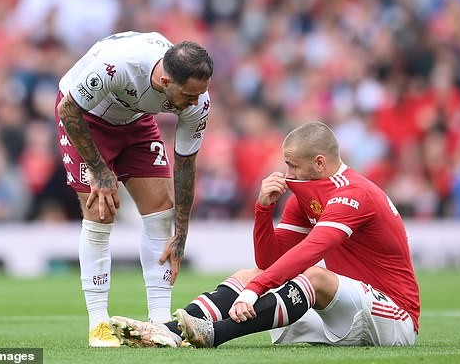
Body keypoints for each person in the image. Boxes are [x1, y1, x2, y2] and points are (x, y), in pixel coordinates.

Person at [108, 121, 420, 348]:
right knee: (249, 274)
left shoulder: (353, 194)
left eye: (292, 165)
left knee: (314, 276)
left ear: (320, 163)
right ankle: (168, 332)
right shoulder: (306, 194)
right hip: (350, 312)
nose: (288, 174)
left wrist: (256, 289)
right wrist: (262, 210)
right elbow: (271, 262)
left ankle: (214, 334)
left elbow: (311, 250)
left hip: (394, 317)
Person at [54, 31, 213, 347]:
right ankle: (98, 324)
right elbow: (68, 111)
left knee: (161, 209)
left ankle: (160, 322)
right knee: (101, 211)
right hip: (85, 117)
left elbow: (185, 166)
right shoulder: (116, 65)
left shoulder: (198, 99)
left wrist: (180, 234)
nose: (197, 103)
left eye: (200, 95)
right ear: (166, 82)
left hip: (136, 120)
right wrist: (100, 171)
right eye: (190, 96)